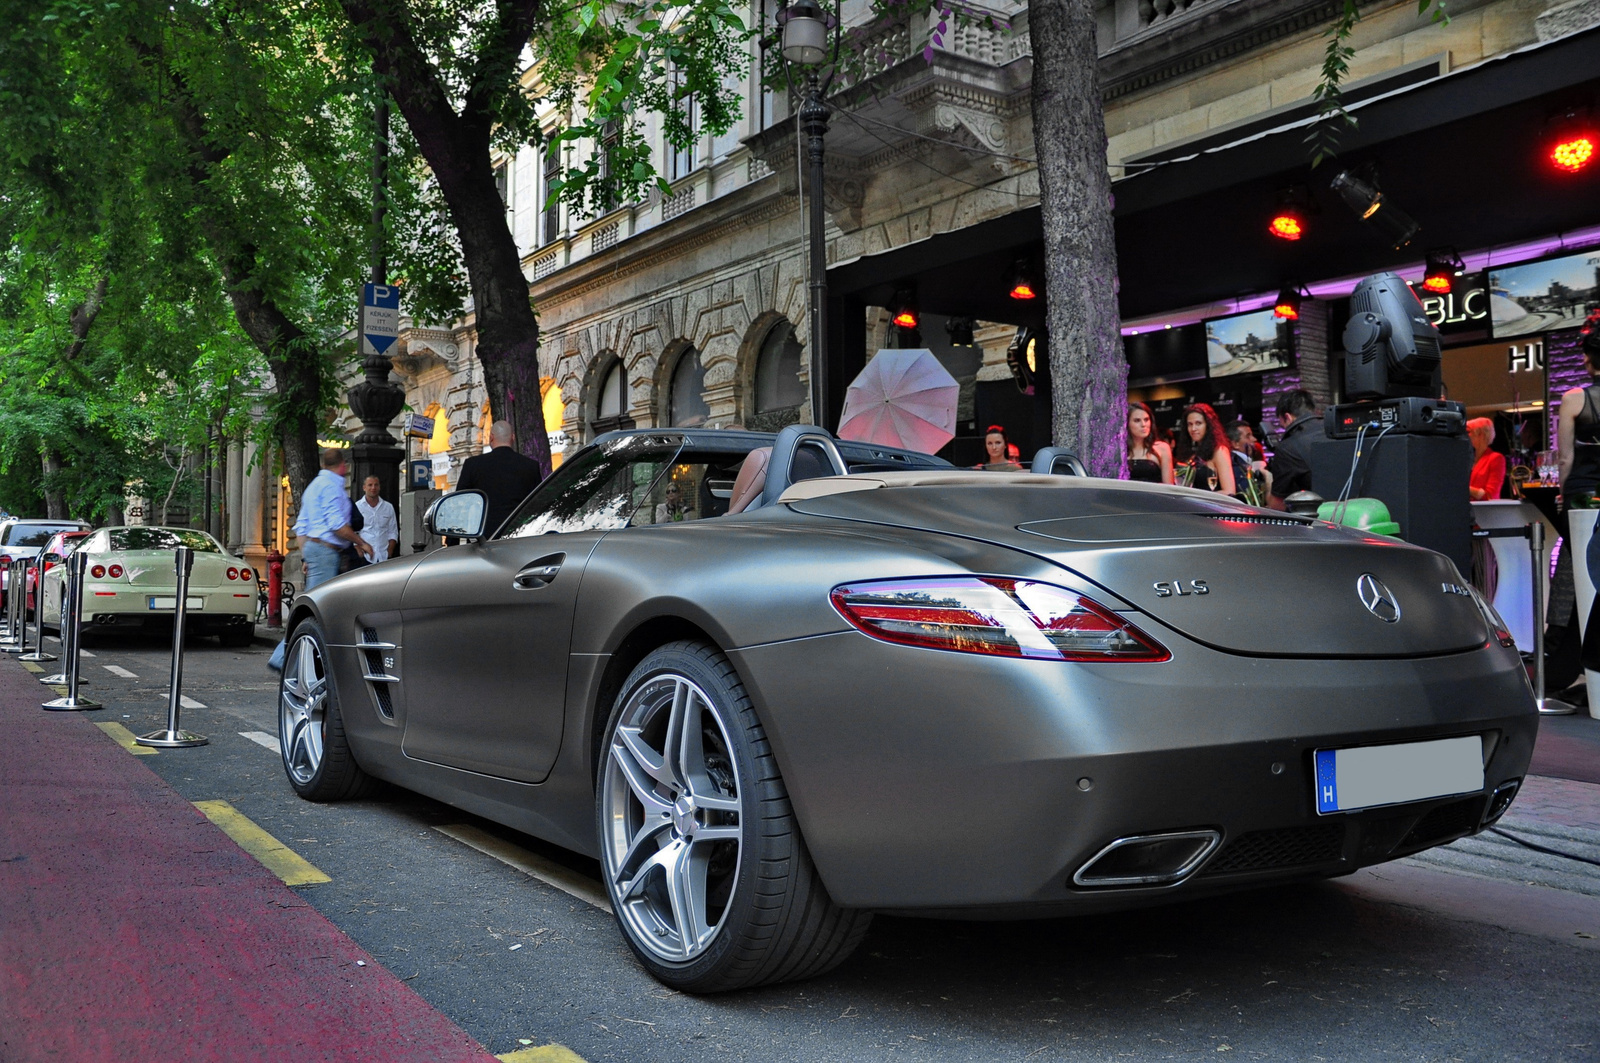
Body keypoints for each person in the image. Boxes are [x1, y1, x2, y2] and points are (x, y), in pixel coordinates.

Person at [269, 448, 370, 670]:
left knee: (315, 605)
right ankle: (284, 657)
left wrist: (306, 556)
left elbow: (301, 527)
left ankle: (304, 659)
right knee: (316, 609)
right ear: (342, 465)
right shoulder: (333, 487)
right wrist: (361, 542)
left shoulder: (313, 488)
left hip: (315, 549)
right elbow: (337, 526)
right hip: (327, 551)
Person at [455, 419, 544, 538]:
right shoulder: (530, 466)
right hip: (519, 536)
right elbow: (537, 505)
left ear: (491, 437)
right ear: (512, 437)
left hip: (483, 539)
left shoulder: (473, 465)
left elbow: (459, 505)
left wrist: (452, 541)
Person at [1267, 389, 1325, 510]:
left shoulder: (1287, 447)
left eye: (1282, 425)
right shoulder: (1332, 428)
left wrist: (1267, 478)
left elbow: (1277, 505)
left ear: (1287, 417)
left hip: (1321, 517)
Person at [1177, 403, 1236, 495]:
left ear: (1208, 425)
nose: (1193, 428)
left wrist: (1200, 498)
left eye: (1198, 423)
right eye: (1190, 424)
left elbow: (1229, 491)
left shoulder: (1219, 450)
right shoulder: (1191, 454)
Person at [355, 475, 400, 562]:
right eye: (370, 485)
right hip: (365, 556)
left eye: (376, 485)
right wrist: (358, 550)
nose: (373, 488)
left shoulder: (388, 507)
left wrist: (389, 551)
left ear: (379, 487)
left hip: (383, 556)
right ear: (364, 487)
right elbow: (353, 532)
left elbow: (393, 532)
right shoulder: (357, 507)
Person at [1126, 403, 1173, 484]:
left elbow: (1169, 487)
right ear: (1127, 424)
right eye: (1137, 420)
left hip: (1155, 496)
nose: (1143, 425)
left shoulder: (1162, 448)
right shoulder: (1120, 451)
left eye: (1146, 419)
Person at [1467, 418, 1506, 502]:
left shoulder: (1496, 458)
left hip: (1485, 512)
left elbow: (1491, 495)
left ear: (1481, 434)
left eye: (1468, 432)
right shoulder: (1467, 459)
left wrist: (1462, 488)